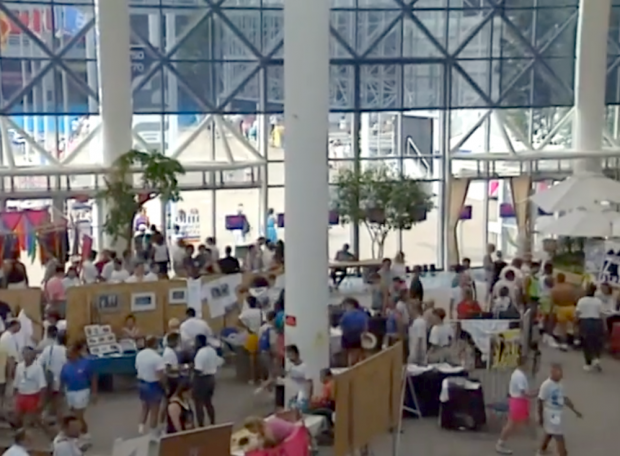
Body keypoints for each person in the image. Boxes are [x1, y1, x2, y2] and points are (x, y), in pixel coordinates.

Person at [537, 363, 582, 456]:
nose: (561, 375)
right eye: (558, 372)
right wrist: (540, 416)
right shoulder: (546, 385)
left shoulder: (560, 384)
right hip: (552, 413)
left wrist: (574, 410)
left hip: (559, 412)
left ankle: (541, 450)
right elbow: (540, 400)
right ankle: (563, 453)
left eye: (561, 372)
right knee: (559, 435)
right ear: (552, 372)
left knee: (550, 432)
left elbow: (564, 398)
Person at [496, 355, 535, 454]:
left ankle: (540, 444)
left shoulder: (518, 374)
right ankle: (500, 443)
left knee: (523, 422)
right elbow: (524, 392)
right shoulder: (519, 376)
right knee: (511, 424)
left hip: (518, 401)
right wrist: (536, 393)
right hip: (518, 401)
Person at [60, 342, 96, 441]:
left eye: (70, 353)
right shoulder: (65, 366)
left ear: (76, 353)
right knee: (73, 415)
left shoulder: (85, 363)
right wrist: (61, 393)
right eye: (67, 353)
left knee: (78, 414)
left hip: (83, 391)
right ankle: (76, 433)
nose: (67, 355)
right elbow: (62, 380)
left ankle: (85, 432)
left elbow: (93, 378)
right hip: (70, 392)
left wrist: (94, 393)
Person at [135, 336, 165, 436]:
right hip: (153, 384)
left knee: (145, 407)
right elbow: (160, 375)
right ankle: (153, 432)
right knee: (154, 409)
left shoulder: (140, 354)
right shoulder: (157, 358)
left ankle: (141, 427)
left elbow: (137, 367)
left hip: (141, 382)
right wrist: (165, 387)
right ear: (155, 344)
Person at [193, 334, 223, 426]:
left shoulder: (200, 353)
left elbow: (198, 370)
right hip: (211, 378)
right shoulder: (211, 350)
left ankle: (201, 425)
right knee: (208, 402)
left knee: (198, 404)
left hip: (202, 379)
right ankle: (212, 422)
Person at [13, 346, 47, 430]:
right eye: (25, 354)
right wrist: (14, 397)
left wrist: (41, 401)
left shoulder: (38, 368)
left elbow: (42, 386)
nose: (27, 356)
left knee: (28, 421)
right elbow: (16, 383)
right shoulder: (19, 367)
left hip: (32, 396)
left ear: (33, 355)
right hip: (21, 395)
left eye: (29, 354)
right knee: (16, 418)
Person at [38, 329, 67, 424]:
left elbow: (39, 362)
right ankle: (59, 422)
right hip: (61, 381)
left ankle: (42, 419)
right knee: (59, 402)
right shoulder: (66, 351)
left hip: (48, 379)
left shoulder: (49, 349)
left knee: (46, 400)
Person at [575, 283, 605, 371]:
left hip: (585, 321)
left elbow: (577, 313)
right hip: (597, 321)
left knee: (586, 342)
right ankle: (596, 358)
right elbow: (601, 313)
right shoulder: (598, 301)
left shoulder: (582, 301)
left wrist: (576, 323)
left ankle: (588, 363)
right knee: (597, 341)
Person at [239, 299, 263, 384]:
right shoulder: (260, 311)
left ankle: (253, 378)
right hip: (260, 334)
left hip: (251, 334)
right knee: (261, 356)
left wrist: (246, 326)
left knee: (252, 358)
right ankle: (261, 377)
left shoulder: (246, 313)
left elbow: (238, 320)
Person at [550, 273, 577, 351]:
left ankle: (564, 344)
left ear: (557, 279)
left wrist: (551, 311)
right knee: (575, 325)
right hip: (571, 307)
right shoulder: (570, 287)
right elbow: (575, 297)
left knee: (562, 327)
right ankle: (576, 341)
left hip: (561, 308)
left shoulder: (555, 289)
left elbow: (553, 302)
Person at [339, 297, 369, 366]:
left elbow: (342, 326)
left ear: (351, 305)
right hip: (360, 340)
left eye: (345, 306)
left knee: (350, 358)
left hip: (348, 340)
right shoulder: (363, 314)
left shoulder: (346, 315)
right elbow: (366, 327)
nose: (344, 308)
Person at [285, 345, 312, 412]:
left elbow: (310, 383)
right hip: (294, 397)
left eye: (290, 354)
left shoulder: (305, 367)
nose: (289, 357)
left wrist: (310, 398)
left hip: (303, 398)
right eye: (288, 355)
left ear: (296, 354)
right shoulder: (290, 367)